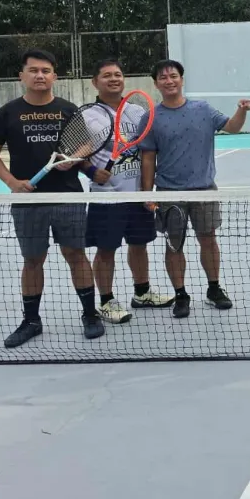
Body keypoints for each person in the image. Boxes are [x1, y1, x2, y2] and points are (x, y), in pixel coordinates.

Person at [0, 49, 103, 348]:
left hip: (68, 197)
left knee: (76, 255)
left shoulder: (68, 109)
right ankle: (31, 321)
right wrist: (12, 182)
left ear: (54, 76)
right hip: (28, 202)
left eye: (46, 71)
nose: (40, 75)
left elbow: (86, 144)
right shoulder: (7, 113)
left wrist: (72, 158)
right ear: (21, 76)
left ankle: (90, 315)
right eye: (34, 70)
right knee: (33, 260)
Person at [139, 59, 250, 318]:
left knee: (208, 240)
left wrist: (242, 110)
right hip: (169, 192)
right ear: (156, 84)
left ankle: (214, 288)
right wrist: (146, 193)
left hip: (204, 189)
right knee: (174, 246)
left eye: (173, 76)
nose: (169, 81)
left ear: (182, 79)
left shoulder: (203, 109)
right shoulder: (151, 117)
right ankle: (181, 295)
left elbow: (233, 127)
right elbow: (148, 157)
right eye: (163, 77)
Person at [82, 58, 176, 324]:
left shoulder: (137, 111)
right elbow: (76, 154)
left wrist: (148, 191)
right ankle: (106, 301)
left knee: (139, 244)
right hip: (106, 197)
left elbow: (148, 151)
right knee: (106, 250)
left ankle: (142, 293)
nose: (114, 79)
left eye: (118, 74)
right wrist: (91, 171)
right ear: (95, 82)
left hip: (137, 194)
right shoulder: (87, 115)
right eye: (107, 75)